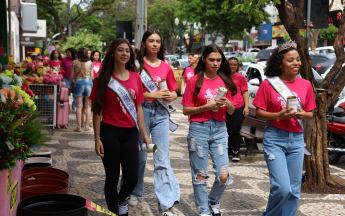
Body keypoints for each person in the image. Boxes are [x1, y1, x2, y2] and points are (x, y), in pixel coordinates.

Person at [252, 41, 316, 216]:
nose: (296, 63)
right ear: (280, 63)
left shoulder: (306, 85)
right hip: (275, 138)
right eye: (290, 60)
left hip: (296, 140)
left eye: (297, 59)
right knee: (282, 188)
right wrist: (279, 115)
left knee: (294, 191)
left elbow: (311, 113)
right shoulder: (269, 84)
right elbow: (259, 112)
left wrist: (303, 114)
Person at [90, 38, 151, 216]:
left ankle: (121, 198)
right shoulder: (102, 79)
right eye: (120, 50)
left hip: (131, 133)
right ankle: (114, 212)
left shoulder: (135, 77)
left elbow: (138, 107)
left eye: (127, 51)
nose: (124, 54)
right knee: (112, 177)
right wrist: (97, 138)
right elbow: (97, 111)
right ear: (112, 54)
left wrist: (145, 134)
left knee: (132, 179)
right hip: (109, 132)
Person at [128, 29, 180, 216]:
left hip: (161, 115)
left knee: (162, 159)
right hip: (141, 112)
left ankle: (165, 205)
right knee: (140, 156)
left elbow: (174, 91)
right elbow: (130, 93)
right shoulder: (135, 66)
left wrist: (170, 95)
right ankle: (134, 191)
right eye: (151, 41)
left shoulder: (166, 66)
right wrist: (152, 94)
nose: (155, 44)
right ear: (143, 44)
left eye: (158, 41)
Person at [181, 44, 237, 216]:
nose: (215, 63)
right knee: (200, 174)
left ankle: (212, 200)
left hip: (220, 129)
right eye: (211, 60)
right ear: (203, 59)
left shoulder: (225, 81)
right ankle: (204, 211)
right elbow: (186, 110)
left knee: (223, 175)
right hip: (198, 129)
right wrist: (207, 106)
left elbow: (232, 111)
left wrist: (227, 104)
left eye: (219, 60)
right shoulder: (194, 81)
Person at [227, 57, 249, 161]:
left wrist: (246, 107)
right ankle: (229, 151)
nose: (232, 66)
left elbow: (245, 92)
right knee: (227, 129)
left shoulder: (241, 78)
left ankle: (236, 152)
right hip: (225, 107)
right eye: (230, 64)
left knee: (235, 130)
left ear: (238, 66)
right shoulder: (223, 77)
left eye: (234, 64)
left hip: (238, 106)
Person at [69, 48, 94, 132]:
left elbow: (71, 77)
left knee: (79, 106)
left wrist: (74, 81)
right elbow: (92, 77)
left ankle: (79, 127)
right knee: (88, 106)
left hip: (78, 82)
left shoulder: (74, 62)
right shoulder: (90, 63)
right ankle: (87, 126)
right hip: (88, 83)